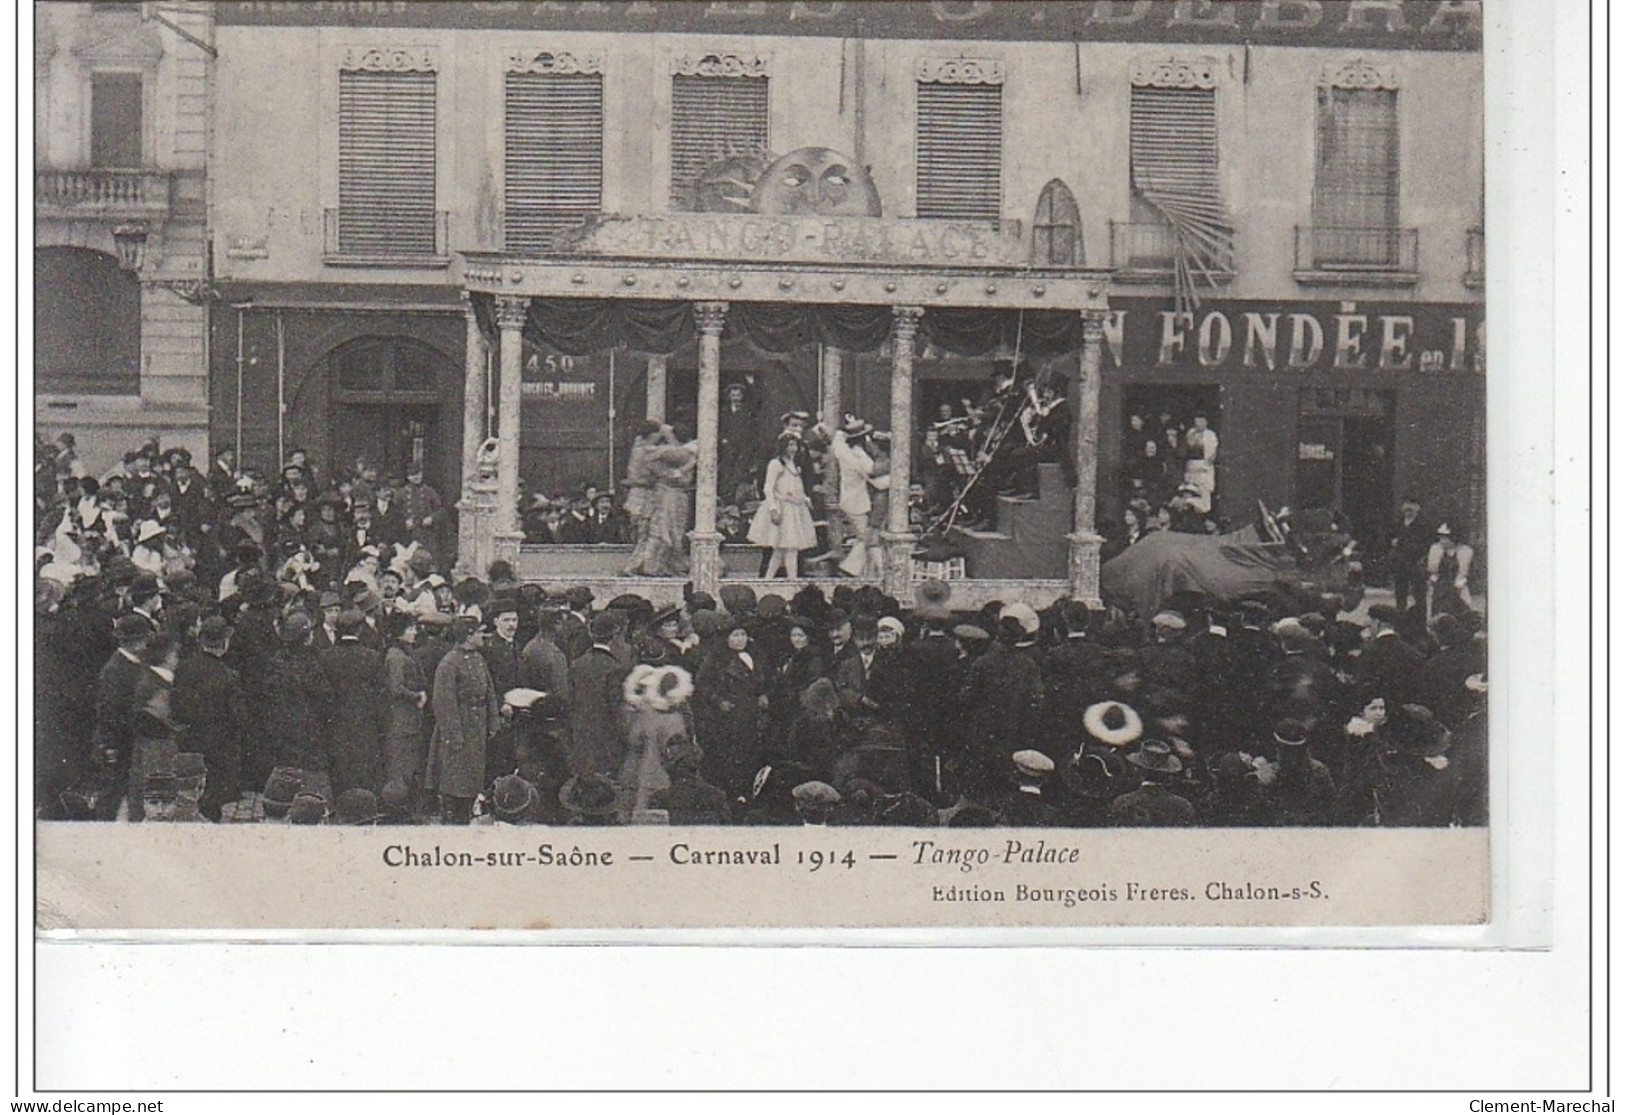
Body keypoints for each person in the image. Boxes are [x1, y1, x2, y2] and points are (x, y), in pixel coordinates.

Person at [171, 616, 248, 821]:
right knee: (212, 799)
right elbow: (239, 717)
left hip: (188, 741)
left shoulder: (183, 668)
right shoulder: (228, 675)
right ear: (224, 642)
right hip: (218, 747)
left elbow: (176, 706)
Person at [427, 615, 501, 824]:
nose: (482, 636)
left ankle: (467, 815)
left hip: (477, 728)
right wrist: (455, 736)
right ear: (468, 635)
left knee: (472, 780)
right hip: (460, 728)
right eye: (478, 632)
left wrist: (493, 721)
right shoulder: (449, 663)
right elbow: (444, 704)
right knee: (455, 782)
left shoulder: (478, 658)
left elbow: (490, 692)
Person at [320, 609, 385, 798]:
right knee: (363, 766)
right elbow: (380, 696)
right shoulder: (372, 657)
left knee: (339, 766)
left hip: (336, 722)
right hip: (365, 722)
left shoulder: (326, 656)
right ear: (359, 630)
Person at [619, 664, 694, 813]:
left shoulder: (646, 712)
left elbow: (634, 739)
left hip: (643, 770)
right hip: (671, 775)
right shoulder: (680, 717)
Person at [746, 432, 818, 579]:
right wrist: (773, 509)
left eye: (795, 445)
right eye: (790, 445)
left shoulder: (795, 465)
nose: (793, 448)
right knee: (790, 548)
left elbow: (796, 486)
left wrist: (805, 499)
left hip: (795, 508)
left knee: (781, 550)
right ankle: (792, 581)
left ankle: (768, 580)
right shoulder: (776, 463)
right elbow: (768, 487)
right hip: (783, 508)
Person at [567, 613, 630, 779]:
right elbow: (618, 710)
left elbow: (570, 702)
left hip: (582, 739)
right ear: (613, 636)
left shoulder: (576, 665)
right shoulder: (615, 668)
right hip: (607, 741)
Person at [828, 417, 887, 578]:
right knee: (868, 537)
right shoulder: (859, 456)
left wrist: (849, 425)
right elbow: (873, 474)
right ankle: (856, 569)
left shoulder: (842, 450)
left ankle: (860, 569)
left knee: (867, 537)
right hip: (857, 502)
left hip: (847, 498)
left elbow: (837, 440)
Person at [381, 612, 429, 805]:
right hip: (401, 721)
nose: (414, 632)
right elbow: (396, 687)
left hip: (407, 720)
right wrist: (417, 696)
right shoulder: (396, 656)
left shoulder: (402, 652)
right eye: (410, 628)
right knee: (401, 767)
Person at [1386, 496, 1433, 614]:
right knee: (1400, 595)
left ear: (1418, 507)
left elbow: (1428, 544)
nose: (1408, 507)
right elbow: (1390, 538)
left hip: (1416, 564)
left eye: (1412, 504)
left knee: (1419, 596)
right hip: (1400, 564)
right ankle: (1401, 620)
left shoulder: (1424, 524)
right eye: (1406, 504)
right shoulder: (1398, 522)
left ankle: (1419, 622)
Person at [1426, 522, 1475, 621]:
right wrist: (1432, 577)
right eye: (1440, 537)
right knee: (1438, 612)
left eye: (1445, 537)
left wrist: (1463, 580)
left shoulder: (1466, 551)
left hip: (1458, 588)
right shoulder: (1435, 549)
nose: (1442, 540)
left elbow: (1472, 572)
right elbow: (1429, 569)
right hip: (1439, 587)